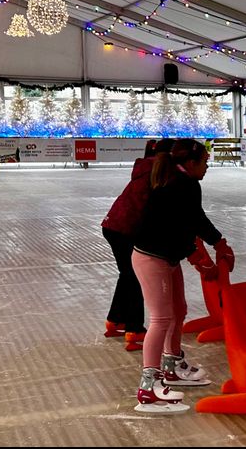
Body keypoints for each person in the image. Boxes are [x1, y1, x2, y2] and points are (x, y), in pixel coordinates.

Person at [130, 139, 234, 414]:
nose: (207, 167)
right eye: (204, 162)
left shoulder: (184, 182)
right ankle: (148, 386)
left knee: (179, 310)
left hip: (166, 256)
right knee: (162, 318)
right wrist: (206, 252)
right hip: (152, 257)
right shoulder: (178, 186)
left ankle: (171, 365)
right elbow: (185, 224)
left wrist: (216, 243)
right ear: (190, 163)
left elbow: (191, 220)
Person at [101, 138, 171, 350]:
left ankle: (116, 320)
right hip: (125, 228)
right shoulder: (160, 172)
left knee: (127, 274)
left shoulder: (145, 167)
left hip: (113, 225)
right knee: (135, 277)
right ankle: (134, 328)